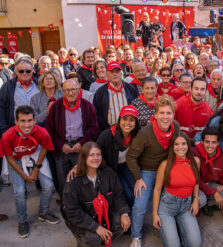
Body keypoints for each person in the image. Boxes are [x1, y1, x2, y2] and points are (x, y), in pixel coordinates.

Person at [126, 95, 180, 247]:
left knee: (173, 200)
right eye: (161, 113)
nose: (165, 117)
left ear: (173, 115)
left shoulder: (175, 126)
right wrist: (138, 178)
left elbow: (181, 144)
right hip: (148, 171)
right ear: (155, 115)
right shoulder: (145, 133)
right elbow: (131, 156)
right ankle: (136, 236)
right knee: (140, 205)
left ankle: (173, 226)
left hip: (168, 168)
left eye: (168, 113)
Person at [2, 105, 60, 238]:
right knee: (19, 192)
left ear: (35, 120)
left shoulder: (42, 132)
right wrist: (24, 176)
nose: (27, 125)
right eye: (22, 121)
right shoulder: (7, 136)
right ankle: (22, 221)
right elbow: (9, 158)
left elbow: (45, 148)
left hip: (35, 155)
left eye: (29, 120)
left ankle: (43, 212)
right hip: (16, 160)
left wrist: (35, 170)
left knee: (49, 186)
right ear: (16, 121)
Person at [63, 142, 131, 247]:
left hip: (103, 214)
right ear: (84, 157)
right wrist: (96, 228)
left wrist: (124, 213)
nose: (96, 158)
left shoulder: (108, 173)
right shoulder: (73, 182)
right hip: (83, 220)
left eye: (98, 154)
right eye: (91, 155)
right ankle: (84, 241)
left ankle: (104, 239)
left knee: (123, 222)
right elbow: (73, 211)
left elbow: (118, 195)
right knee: (93, 238)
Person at [45, 79, 100, 202]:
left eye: (73, 89)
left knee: (82, 177)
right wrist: (60, 145)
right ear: (63, 91)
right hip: (62, 149)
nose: (71, 93)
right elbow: (49, 130)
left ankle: (84, 203)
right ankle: (68, 205)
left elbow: (94, 128)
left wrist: (82, 143)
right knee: (63, 179)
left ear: (79, 90)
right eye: (67, 90)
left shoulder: (87, 106)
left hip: (80, 147)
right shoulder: (56, 107)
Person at [152, 132, 201, 247]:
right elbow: (157, 189)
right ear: (172, 147)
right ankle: (173, 228)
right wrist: (155, 214)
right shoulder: (165, 164)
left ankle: (179, 226)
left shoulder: (195, 162)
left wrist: (196, 199)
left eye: (183, 143)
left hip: (186, 206)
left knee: (195, 244)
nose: (180, 147)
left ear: (188, 145)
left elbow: (197, 182)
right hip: (167, 207)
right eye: (176, 144)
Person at [195, 127, 223, 223]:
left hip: (209, 184)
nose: (210, 146)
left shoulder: (222, 158)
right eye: (207, 142)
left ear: (218, 143)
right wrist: (214, 193)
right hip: (195, 185)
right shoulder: (194, 153)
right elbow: (196, 180)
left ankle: (207, 205)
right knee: (201, 199)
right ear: (202, 142)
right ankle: (199, 206)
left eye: (213, 142)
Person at [93, 61, 137, 131]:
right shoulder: (100, 92)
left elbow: (136, 107)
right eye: (112, 72)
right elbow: (97, 113)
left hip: (129, 128)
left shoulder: (130, 88)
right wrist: (105, 129)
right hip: (110, 129)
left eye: (117, 71)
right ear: (107, 74)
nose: (115, 74)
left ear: (121, 73)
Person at [0, 57, 39, 134]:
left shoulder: (40, 85)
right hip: (16, 131)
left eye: (28, 71)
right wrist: (5, 131)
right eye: (21, 71)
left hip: (38, 130)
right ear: (16, 72)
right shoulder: (8, 87)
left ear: (32, 72)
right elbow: (1, 109)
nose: (25, 73)